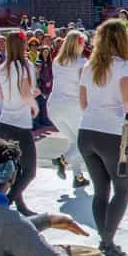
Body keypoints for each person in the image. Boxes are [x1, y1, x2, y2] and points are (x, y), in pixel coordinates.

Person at [77, 19, 128, 256]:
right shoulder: (123, 67)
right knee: (122, 190)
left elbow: (83, 102)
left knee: (100, 190)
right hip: (111, 133)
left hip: (87, 131)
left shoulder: (88, 67)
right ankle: (108, 241)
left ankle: (105, 239)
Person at [0, 32, 39, 216]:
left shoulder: (2, 68)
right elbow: (24, 92)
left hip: (4, 122)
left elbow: (2, 95)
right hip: (20, 124)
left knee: (13, 168)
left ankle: (19, 205)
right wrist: (34, 104)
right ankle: (6, 202)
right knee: (29, 171)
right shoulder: (25, 66)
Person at [48, 30, 91, 188]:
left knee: (74, 141)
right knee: (84, 143)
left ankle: (78, 176)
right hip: (72, 106)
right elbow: (84, 86)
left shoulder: (57, 61)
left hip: (54, 105)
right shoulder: (81, 63)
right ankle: (63, 159)